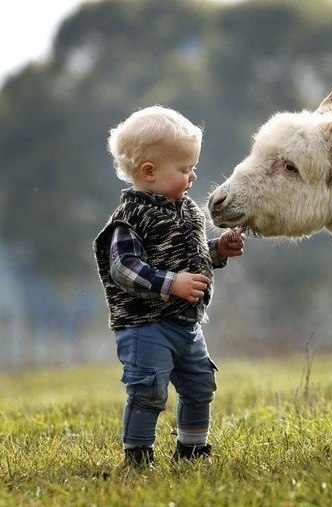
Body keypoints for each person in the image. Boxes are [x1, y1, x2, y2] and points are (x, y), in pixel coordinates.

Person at [93, 105, 245, 469]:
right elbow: (124, 269)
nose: (193, 177)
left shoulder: (186, 209)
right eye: (185, 169)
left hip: (186, 324)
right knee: (148, 391)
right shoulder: (129, 218)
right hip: (145, 327)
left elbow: (189, 257)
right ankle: (138, 456)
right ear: (149, 172)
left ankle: (192, 450)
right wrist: (171, 284)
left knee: (200, 385)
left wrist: (217, 250)